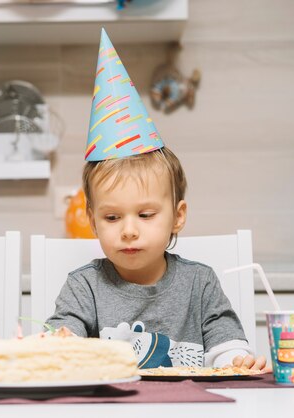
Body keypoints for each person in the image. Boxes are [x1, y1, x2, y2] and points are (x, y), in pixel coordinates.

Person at [46, 29, 268, 372]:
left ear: (178, 216)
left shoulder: (200, 283)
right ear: (92, 220)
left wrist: (235, 359)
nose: (129, 231)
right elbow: (64, 339)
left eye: (146, 214)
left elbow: (226, 342)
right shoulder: (84, 286)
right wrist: (60, 342)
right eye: (112, 218)